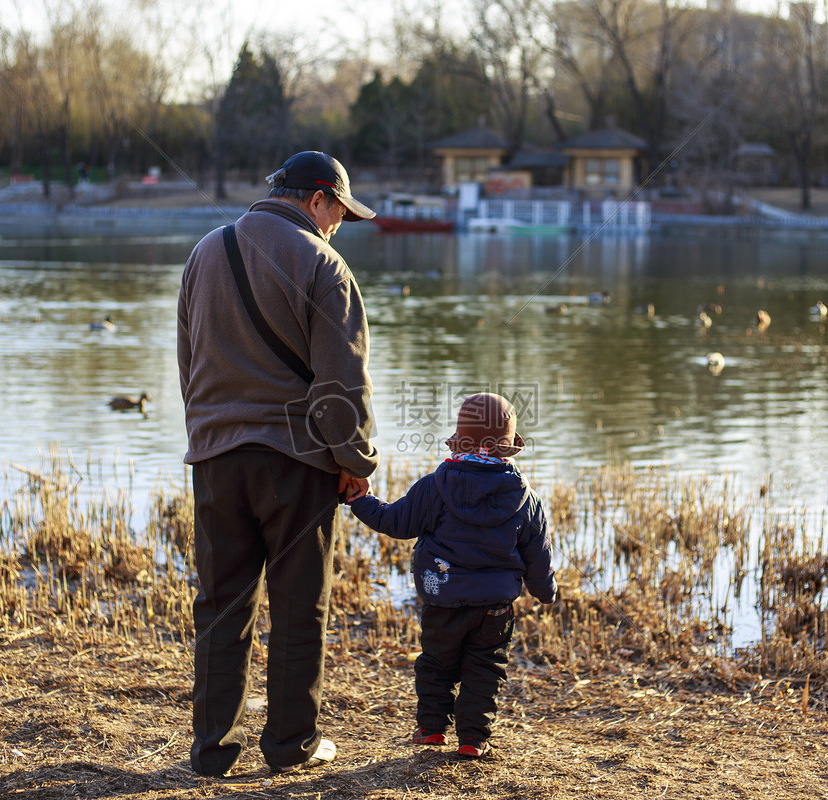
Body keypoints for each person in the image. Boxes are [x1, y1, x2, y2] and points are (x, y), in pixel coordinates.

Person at [177, 151, 379, 777]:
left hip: (215, 455)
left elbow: (188, 357)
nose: (339, 225)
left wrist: (207, 432)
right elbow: (340, 383)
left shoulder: (205, 252)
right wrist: (356, 462)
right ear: (318, 200)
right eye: (340, 212)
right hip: (296, 463)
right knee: (298, 607)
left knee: (220, 605)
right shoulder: (323, 263)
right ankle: (291, 746)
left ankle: (212, 752)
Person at [348, 392, 558, 759]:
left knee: (436, 663)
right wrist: (545, 591)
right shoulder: (527, 499)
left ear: (459, 441)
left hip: (441, 598)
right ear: (508, 449)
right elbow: (537, 554)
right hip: (495, 607)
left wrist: (359, 500)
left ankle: (431, 729)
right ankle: (473, 739)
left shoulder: (435, 486)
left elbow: (395, 522)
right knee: (485, 669)